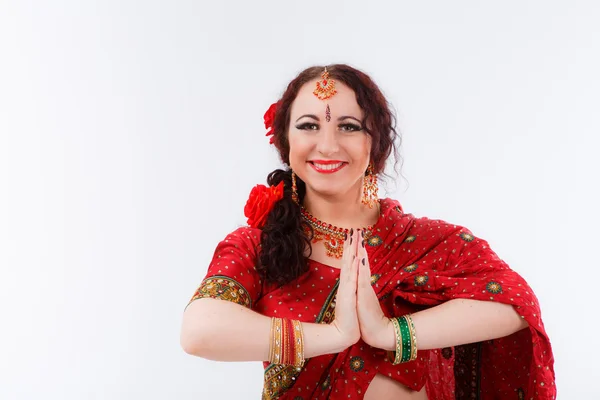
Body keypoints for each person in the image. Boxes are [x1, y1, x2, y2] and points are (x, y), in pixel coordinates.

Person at [180, 64, 556, 399]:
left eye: (348, 126)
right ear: (285, 141)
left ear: (375, 143)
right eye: (309, 125)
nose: (327, 145)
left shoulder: (428, 242)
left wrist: (388, 332)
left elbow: (516, 302)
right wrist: (335, 335)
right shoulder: (257, 245)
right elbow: (199, 331)